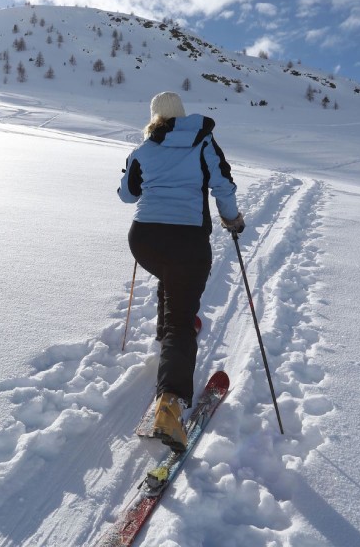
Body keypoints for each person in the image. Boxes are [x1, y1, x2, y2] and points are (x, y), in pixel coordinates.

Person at [117, 91, 243, 451]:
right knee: (182, 320)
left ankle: (165, 333)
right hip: (188, 241)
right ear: (181, 115)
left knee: (170, 279)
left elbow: (127, 194)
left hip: (144, 240)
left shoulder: (142, 150)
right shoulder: (202, 141)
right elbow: (222, 183)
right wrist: (231, 219)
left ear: (154, 117)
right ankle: (169, 407)